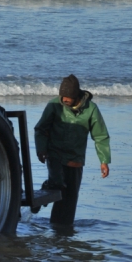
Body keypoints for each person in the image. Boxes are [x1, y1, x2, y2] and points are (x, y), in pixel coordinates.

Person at [34, 74, 111, 233]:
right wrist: (41, 149)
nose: (65, 100)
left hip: (75, 159)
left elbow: (100, 136)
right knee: (57, 184)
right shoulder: (54, 105)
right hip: (55, 155)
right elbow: (41, 129)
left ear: (76, 96)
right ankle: (42, 195)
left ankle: (61, 229)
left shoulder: (91, 109)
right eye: (63, 96)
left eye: (68, 97)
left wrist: (104, 161)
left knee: (69, 198)